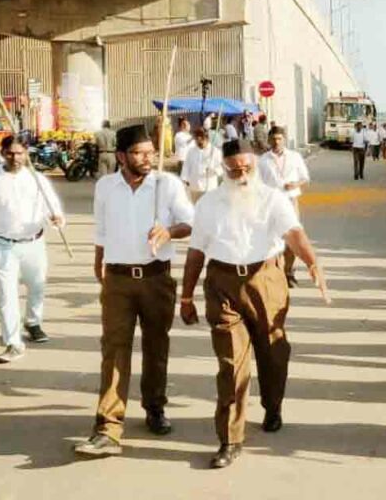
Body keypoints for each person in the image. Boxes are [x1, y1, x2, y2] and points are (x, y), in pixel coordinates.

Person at [180, 139, 328, 469]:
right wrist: (186, 295)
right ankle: (230, 439)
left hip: (266, 279)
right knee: (232, 364)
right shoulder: (208, 204)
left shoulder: (272, 198)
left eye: (247, 168)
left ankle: (272, 405)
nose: (241, 174)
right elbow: (196, 252)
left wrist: (312, 262)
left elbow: (293, 233)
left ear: (255, 166)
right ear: (224, 169)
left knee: (273, 352)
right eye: (235, 169)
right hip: (222, 283)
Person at [73, 125, 194, 458]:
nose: (148, 158)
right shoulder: (105, 186)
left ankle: (155, 406)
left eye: (151, 152)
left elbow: (191, 223)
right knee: (114, 349)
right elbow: (101, 229)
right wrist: (99, 261)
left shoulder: (166, 184)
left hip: (157, 279)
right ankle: (108, 427)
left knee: (156, 347)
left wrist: (169, 232)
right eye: (140, 153)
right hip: (117, 280)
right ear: (122, 156)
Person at [0, 136, 64, 363]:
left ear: (26, 153)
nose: (15, 158)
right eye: (10, 153)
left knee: (37, 285)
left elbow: (53, 208)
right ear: (2, 153)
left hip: (34, 242)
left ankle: (33, 321)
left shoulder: (36, 179)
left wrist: (57, 220)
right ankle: (13, 342)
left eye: (20, 153)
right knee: (7, 294)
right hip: (3, 245)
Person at [259, 126, 311, 285]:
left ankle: (288, 270)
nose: (276, 142)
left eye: (279, 139)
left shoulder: (294, 157)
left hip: (290, 202)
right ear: (269, 140)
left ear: (284, 140)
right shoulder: (263, 160)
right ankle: (275, 273)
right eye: (273, 139)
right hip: (270, 205)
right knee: (272, 241)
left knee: (291, 241)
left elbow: (305, 178)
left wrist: (295, 184)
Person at [181, 127, 223, 203]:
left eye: (201, 141)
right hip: (194, 187)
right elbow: (186, 166)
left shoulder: (215, 152)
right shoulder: (191, 151)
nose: (199, 143)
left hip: (209, 188)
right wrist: (184, 179)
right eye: (197, 141)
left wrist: (214, 171)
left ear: (206, 138)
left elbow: (222, 167)